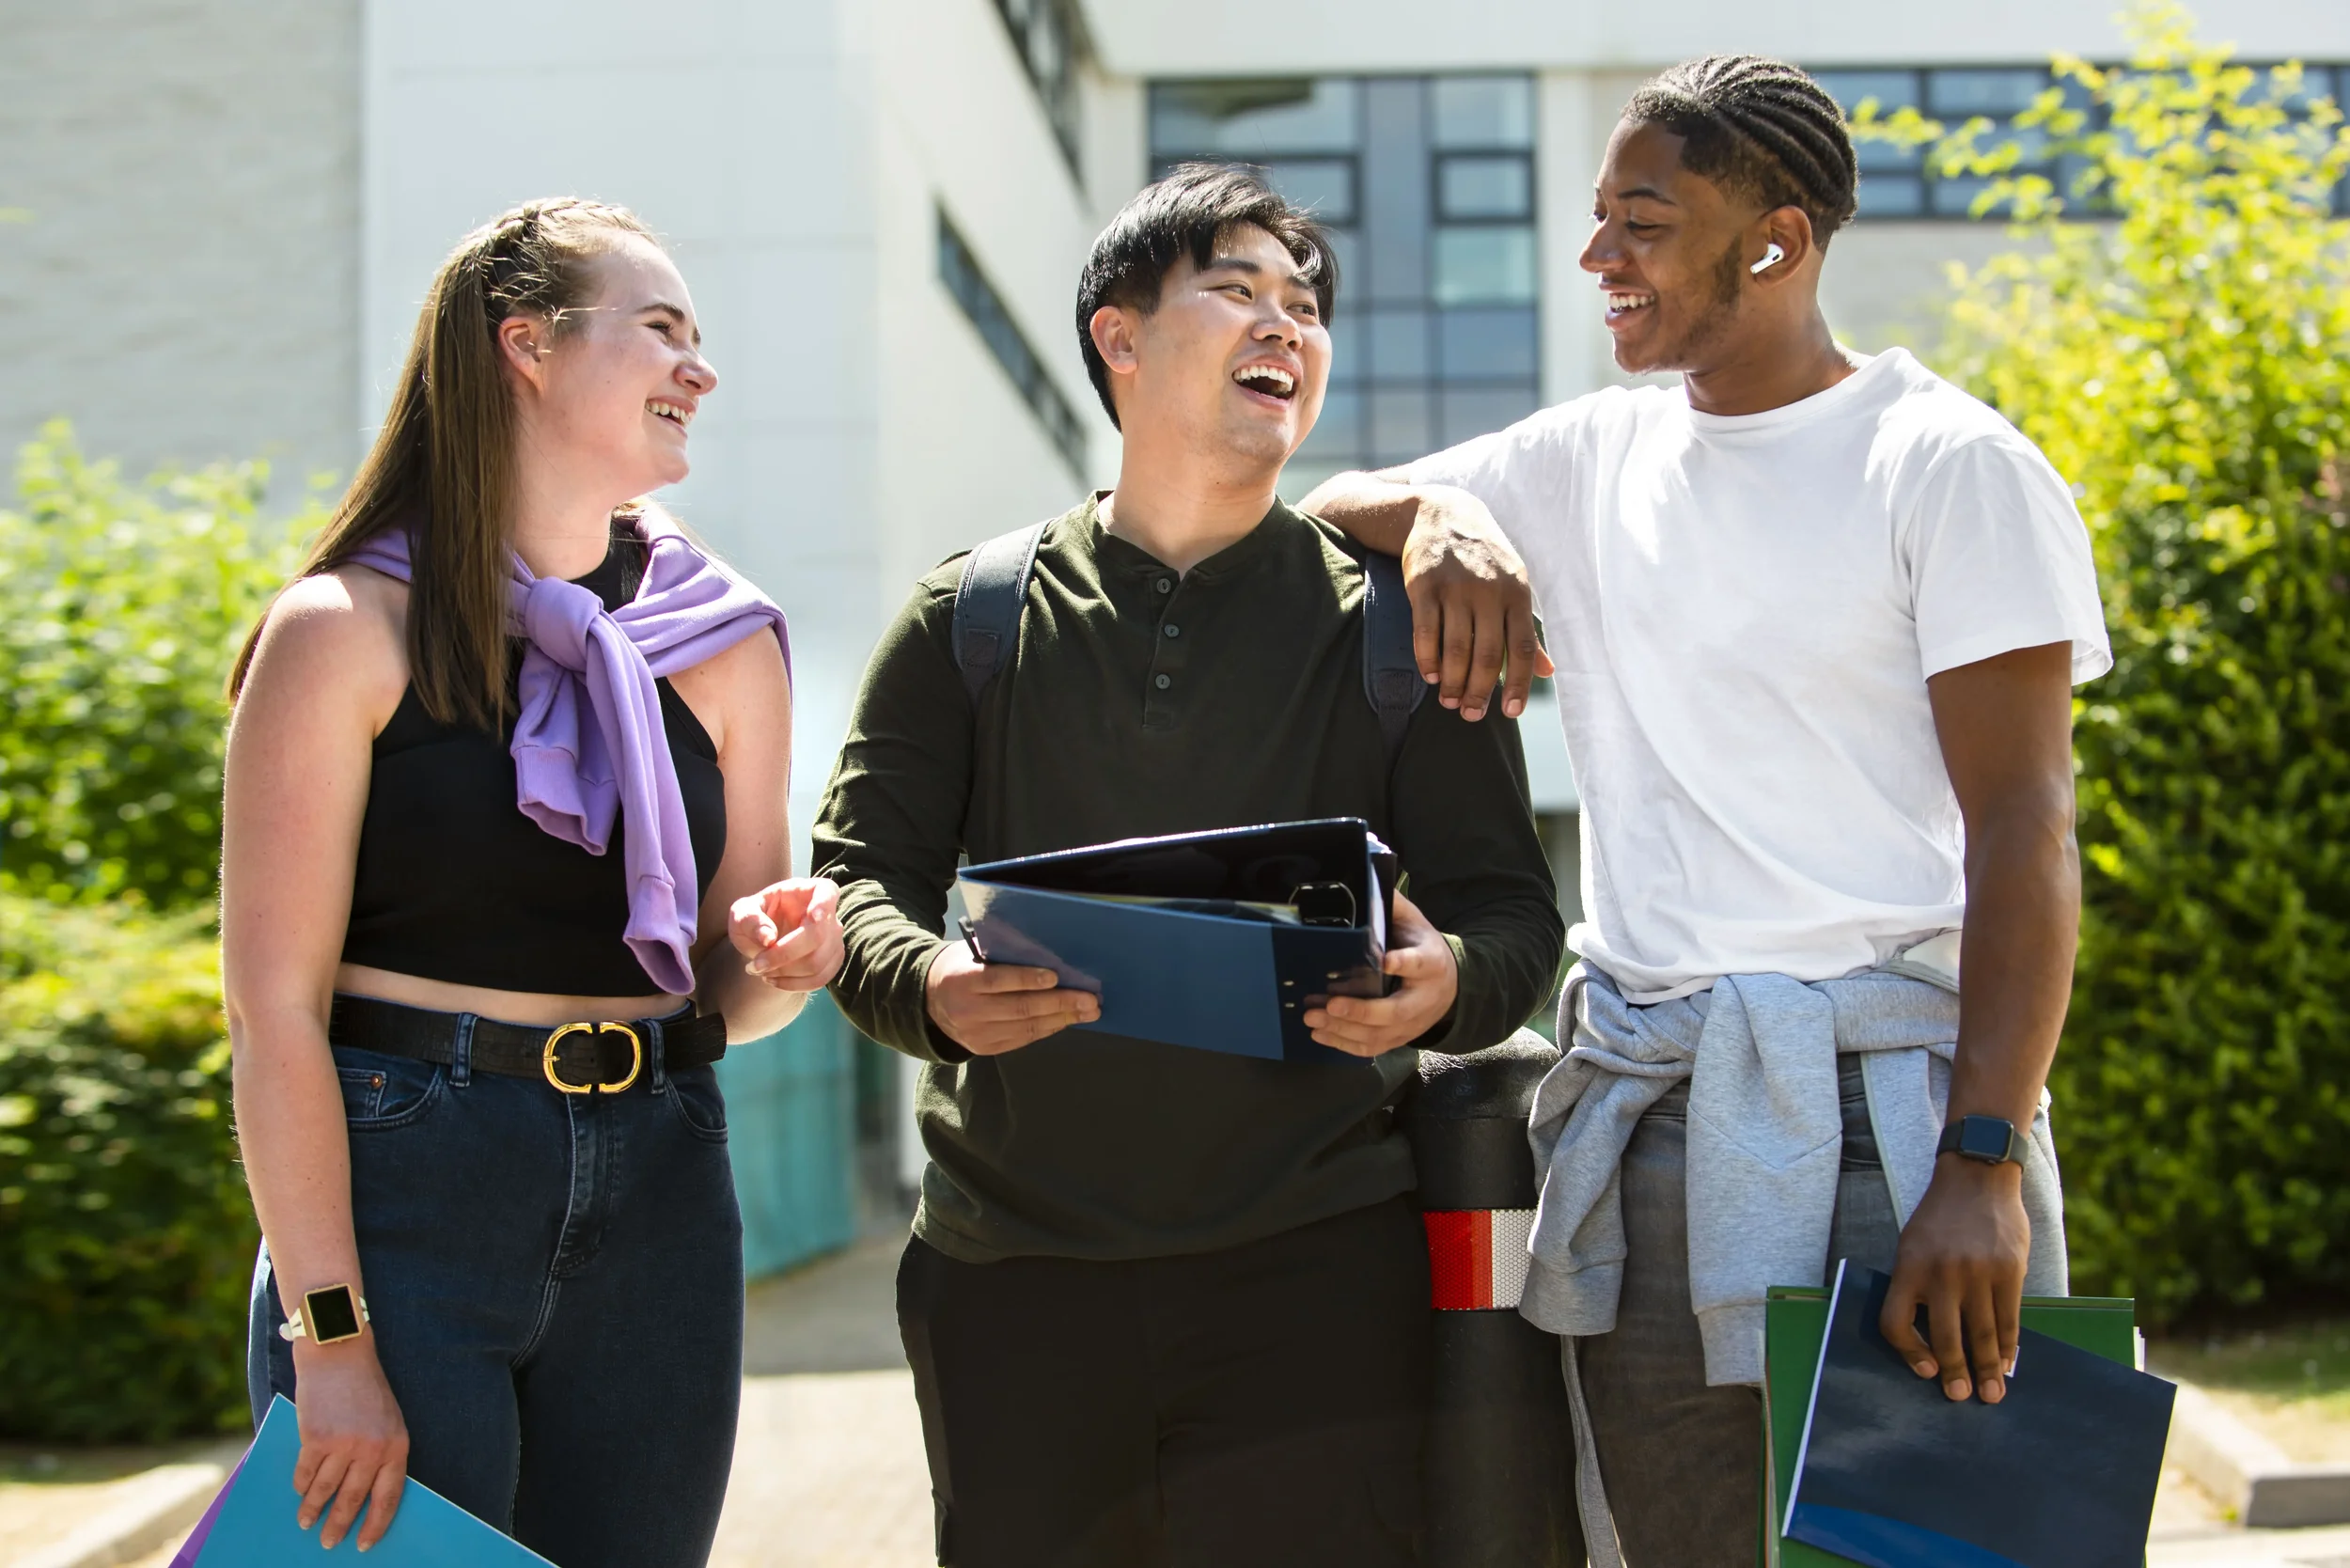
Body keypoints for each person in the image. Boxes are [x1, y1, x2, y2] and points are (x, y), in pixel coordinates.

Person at [1305, 56, 2108, 1568]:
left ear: (1777, 242)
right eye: (1598, 218)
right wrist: (1447, 511)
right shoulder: (1583, 456)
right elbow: (1322, 502)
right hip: (1659, 1125)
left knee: (1937, 1553)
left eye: (1644, 223)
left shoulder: (1950, 467)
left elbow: (2026, 827)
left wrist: (1984, 1166)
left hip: (1901, 1123)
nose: (1600, 258)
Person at [813, 165, 1564, 1568]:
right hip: (1009, 1279)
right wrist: (929, 985)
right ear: (1120, 336)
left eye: (1307, 305)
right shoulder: (967, 620)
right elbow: (858, 876)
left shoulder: (1397, 631)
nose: (1287, 323)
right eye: (1238, 288)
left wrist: (1447, 980)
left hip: (1322, 1274)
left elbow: (1517, 911)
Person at [221, 197, 843, 1567]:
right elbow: (271, 1014)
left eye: (702, 338)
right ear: (528, 348)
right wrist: (330, 1342)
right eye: (662, 331)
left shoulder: (725, 643)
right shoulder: (343, 631)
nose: (703, 370)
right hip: (408, 1185)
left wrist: (790, 963)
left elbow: (734, 992)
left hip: (667, 1185)